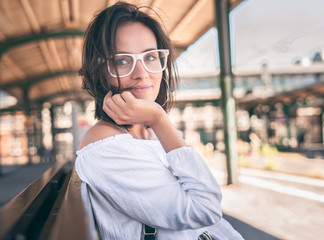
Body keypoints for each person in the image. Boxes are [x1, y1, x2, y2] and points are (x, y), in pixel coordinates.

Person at [76, 2, 244, 240]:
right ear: (99, 70)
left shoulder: (146, 132)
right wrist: (158, 118)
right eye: (122, 61)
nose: (142, 73)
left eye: (150, 56)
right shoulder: (105, 144)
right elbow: (204, 209)